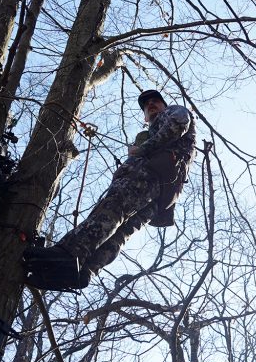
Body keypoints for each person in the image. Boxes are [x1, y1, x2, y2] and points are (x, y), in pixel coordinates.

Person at [24, 89, 197, 290]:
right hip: (161, 194)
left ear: (164, 105)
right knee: (121, 231)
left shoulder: (174, 112)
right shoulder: (150, 133)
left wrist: (143, 149)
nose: (151, 105)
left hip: (148, 178)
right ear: (144, 116)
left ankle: (70, 253)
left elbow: (178, 123)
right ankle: (82, 272)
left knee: (113, 209)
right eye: (146, 105)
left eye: (155, 101)